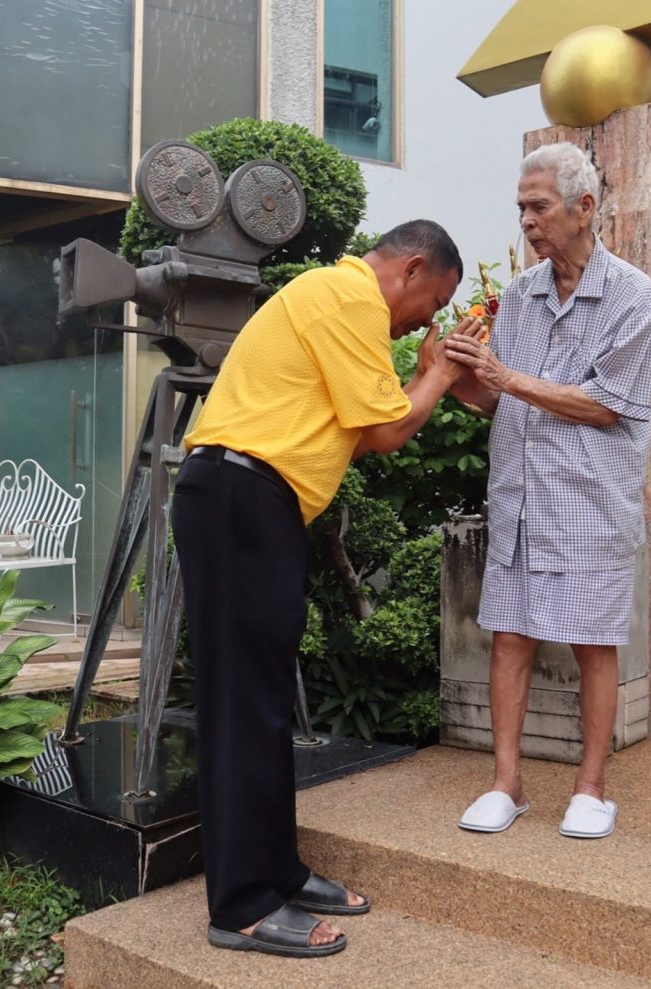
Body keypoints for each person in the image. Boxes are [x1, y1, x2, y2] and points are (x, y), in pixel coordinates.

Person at [171, 219, 483, 958]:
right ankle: (242, 905)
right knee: (244, 702)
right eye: (431, 302)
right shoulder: (348, 298)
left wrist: (432, 370)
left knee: (267, 699)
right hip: (241, 497)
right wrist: (436, 370)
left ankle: (275, 869)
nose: (426, 322)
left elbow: (367, 416)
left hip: (253, 502)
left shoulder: (336, 295)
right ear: (410, 270)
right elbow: (383, 430)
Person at [444, 142, 651, 840]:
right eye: (522, 209)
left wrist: (504, 378)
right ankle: (506, 784)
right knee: (511, 637)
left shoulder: (633, 293)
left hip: (589, 497)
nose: (528, 222)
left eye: (538, 207)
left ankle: (591, 789)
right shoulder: (520, 296)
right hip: (521, 495)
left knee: (595, 642)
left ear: (584, 207)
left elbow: (608, 404)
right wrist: (461, 376)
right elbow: (502, 402)